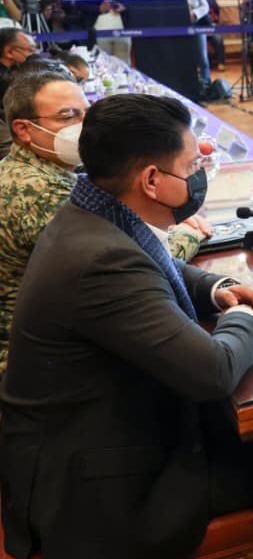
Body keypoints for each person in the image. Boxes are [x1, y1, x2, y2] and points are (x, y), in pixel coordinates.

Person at [0, 94, 253, 559]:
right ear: (151, 180)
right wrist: (247, 318)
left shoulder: (92, 212)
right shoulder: (100, 259)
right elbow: (212, 372)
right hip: (100, 497)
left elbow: (153, 263)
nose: (196, 177)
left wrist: (217, 290)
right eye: (189, 167)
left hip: (90, 443)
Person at [0, 69, 209, 369]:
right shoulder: (37, 191)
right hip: (34, 364)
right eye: (68, 116)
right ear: (23, 130)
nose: (84, 126)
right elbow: (129, 262)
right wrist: (189, 235)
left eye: (87, 113)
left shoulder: (39, 170)